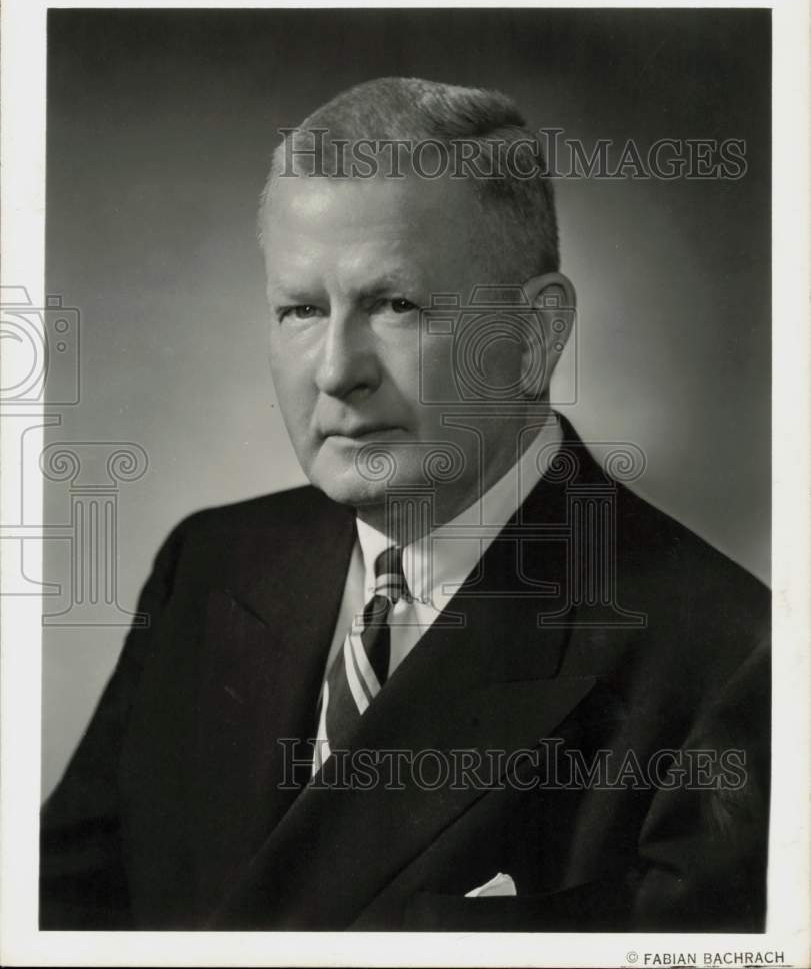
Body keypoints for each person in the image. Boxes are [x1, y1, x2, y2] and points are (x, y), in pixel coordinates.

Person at [40, 78, 770, 932]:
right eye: (302, 309)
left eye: (395, 304)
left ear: (533, 337)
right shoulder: (209, 564)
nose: (334, 370)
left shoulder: (730, 663)